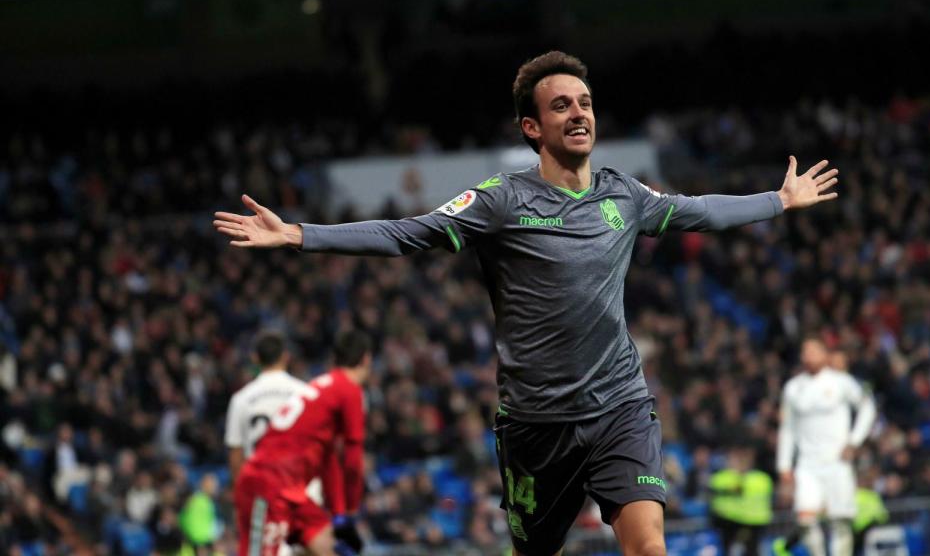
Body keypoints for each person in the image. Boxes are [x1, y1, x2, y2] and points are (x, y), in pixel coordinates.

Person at [214, 50, 839, 556]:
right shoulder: (499, 201)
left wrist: (777, 201)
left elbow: (700, 211)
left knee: (648, 546)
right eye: (561, 105)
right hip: (536, 425)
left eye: (586, 103)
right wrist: (299, 234)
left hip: (619, 405)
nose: (579, 113)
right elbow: (408, 233)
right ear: (532, 127)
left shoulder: (625, 194)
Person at [233, 331, 372, 556]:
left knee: (330, 549)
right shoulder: (349, 390)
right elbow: (353, 458)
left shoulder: (322, 385)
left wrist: (339, 515)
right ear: (366, 359)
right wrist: (352, 507)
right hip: (268, 485)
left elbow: (329, 459)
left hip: (291, 490)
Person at [774, 339, 876, 556]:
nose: (809, 355)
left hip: (837, 463)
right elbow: (787, 428)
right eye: (805, 351)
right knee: (805, 519)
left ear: (825, 354)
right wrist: (784, 464)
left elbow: (868, 408)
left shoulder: (841, 382)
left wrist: (853, 442)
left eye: (814, 350)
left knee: (840, 522)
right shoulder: (793, 388)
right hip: (807, 465)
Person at [224, 330, 308, 481]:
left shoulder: (241, 399)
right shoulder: (306, 394)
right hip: (298, 485)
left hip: (260, 487)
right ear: (285, 356)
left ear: (255, 358)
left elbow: (236, 454)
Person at [709, 446, 773, 556]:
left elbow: (739, 488)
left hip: (754, 522)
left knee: (751, 550)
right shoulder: (722, 477)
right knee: (730, 550)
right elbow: (716, 485)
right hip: (729, 521)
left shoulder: (762, 478)